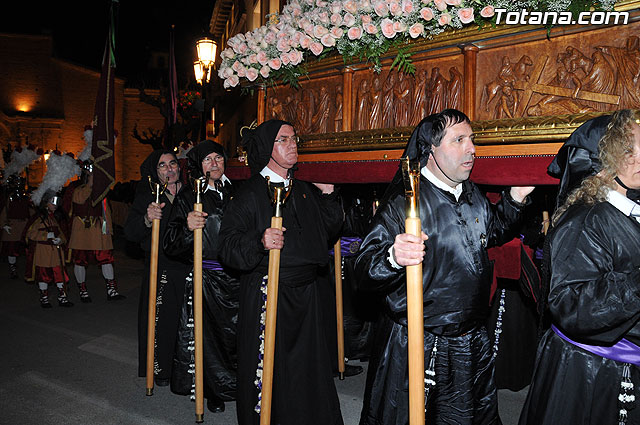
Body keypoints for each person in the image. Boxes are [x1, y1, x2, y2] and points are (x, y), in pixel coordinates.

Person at [355, 109, 534, 425]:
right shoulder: (404, 201)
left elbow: (490, 233)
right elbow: (364, 270)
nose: (472, 149)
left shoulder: (471, 193)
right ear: (431, 150)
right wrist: (393, 257)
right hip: (421, 343)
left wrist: (515, 199)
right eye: (459, 140)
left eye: (472, 139)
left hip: (472, 337)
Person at [218, 119, 344, 425]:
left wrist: (327, 197)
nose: (293, 145)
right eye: (284, 140)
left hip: (306, 295)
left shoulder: (303, 190)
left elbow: (325, 234)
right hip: (268, 292)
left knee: (306, 367)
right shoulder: (248, 194)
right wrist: (259, 242)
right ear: (267, 148)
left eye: (294, 138)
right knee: (271, 369)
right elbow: (227, 247)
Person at [519, 109, 640, 425]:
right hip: (593, 373)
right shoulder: (585, 222)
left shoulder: (628, 211)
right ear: (603, 164)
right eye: (629, 150)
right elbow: (571, 306)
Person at [163, 140, 239, 413]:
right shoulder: (188, 198)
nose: (215, 164)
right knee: (210, 338)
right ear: (198, 166)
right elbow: (169, 242)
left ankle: (241, 385)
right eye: (208, 160)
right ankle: (214, 390)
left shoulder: (238, 191)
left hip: (239, 278)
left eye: (218, 158)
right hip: (206, 279)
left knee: (238, 335)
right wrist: (186, 226)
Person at [124, 149, 190, 387]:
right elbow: (130, 232)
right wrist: (146, 219)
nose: (169, 169)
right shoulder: (148, 195)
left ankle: (188, 366)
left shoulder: (192, 191)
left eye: (172, 163)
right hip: (161, 268)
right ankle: (161, 368)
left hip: (189, 267)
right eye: (162, 166)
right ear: (155, 171)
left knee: (189, 321)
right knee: (163, 322)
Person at [64, 162, 124, 302]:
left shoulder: (101, 188)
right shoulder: (74, 187)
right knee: (79, 261)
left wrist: (108, 229)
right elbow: (78, 200)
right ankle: (83, 290)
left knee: (106, 259)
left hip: (99, 229)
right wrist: (90, 184)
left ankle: (112, 290)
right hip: (81, 230)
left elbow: (105, 209)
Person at [23, 190, 72, 308]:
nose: (55, 205)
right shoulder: (38, 218)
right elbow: (30, 234)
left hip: (55, 252)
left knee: (60, 274)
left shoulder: (54, 217)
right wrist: (46, 236)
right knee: (43, 275)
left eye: (57, 202)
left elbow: (61, 233)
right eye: (53, 202)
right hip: (43, 252)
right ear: (46, 203)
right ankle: (44, 298)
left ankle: (62, 297)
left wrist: (61, 240)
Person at [0, 175, 31, 279]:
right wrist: (4, 224)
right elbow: (5, 211)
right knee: (12, 248)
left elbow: (31, 210)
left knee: (27, 247)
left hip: (24, 224)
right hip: (12, 225)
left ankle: (29, 268)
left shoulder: (27, 197)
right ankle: (13, 268)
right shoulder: (10, 197)